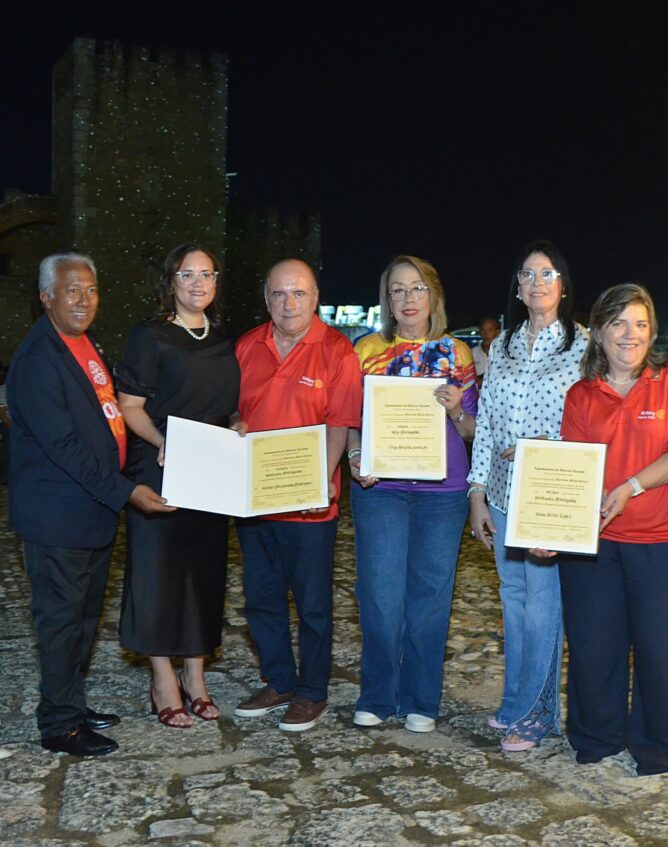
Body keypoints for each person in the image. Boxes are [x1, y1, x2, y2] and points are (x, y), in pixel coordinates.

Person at [7, 253, 173, 756]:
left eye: (91, 290)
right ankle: (60, 725)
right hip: (59, 516)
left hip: (89, 511)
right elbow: (64, 448)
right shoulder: (39, 359)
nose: (84, 300)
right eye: (71, 291)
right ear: (46, 298)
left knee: (82, 619)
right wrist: (126, 492)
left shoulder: (80, 344)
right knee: (61, 621)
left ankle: (71, 705)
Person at [555, 283, 668, 776]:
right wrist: (552, 527)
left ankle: (663, 747)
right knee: (594, 646)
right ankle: (597, 737)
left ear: (653, 332)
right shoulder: (581, 394)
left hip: (665, 538)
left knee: (665, 650)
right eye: (619, 323)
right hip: (595, 540)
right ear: (598, 333)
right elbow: (573, 469)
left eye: (640, 324)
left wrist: (632, 486)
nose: (630, 334)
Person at [347, 255, 477, 733]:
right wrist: (356, 456)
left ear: (434, 296)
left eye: (417, 288)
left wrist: (457, 409)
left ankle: (422, 698)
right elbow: (351, 418)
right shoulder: (364, 350)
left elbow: (472, 431)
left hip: (443, 492)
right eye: (397, 290)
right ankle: (378, 694)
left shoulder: (459, 354)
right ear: (387, 299)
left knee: (431, 595)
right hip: (380, 487)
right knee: (379, 594)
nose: (407, 299)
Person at [468, 240, 588, 752]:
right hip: (500, 492)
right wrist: (476, 492)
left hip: (550, 492)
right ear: (517, 287)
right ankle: (518, 701)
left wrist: (547, 449)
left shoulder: (584, 346)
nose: (537, 283)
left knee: (543, 605)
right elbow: (490, 426)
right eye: (527, 275)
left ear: (562, 284)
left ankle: (538, 716)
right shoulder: (502, 346)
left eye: (547, 274)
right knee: (512, 599)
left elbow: (591, 423)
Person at [232, 259, 362, 732]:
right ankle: (279, 679)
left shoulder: (337, 350)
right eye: (280, 294)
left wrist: (317, 482)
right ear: (267, 299)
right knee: (260, 597)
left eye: (299, 294)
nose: (289, 303)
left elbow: (339, 425)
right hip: (255, 499)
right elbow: (234, 412)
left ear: (316, 297)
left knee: (312, 603)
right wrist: (234, 425)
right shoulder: (246, 346)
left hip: (308, 504)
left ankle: (312, 691)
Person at [116, 243, 241, 728]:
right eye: (187, 275)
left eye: (206, 275)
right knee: (158, 570)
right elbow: (130, 406)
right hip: (162, 462)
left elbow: (231, 403)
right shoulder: (149, 336)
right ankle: (162, 679)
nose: (197, 284)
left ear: (215, 282)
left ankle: (196, 676)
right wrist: (162, 438)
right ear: (171, 281)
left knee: (203, 570)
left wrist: (240, 423)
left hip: (212, 467)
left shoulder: (225, 336)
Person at [472, 316, 500, 385]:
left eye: (490, 330)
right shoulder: (471, 354)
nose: (486, 334)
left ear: (497, 332)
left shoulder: (503, 354)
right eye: (483, 330)